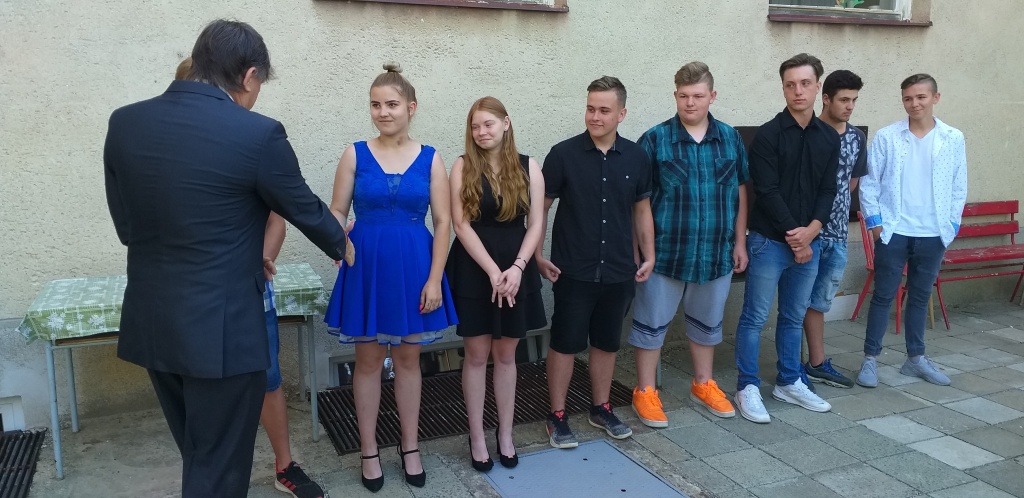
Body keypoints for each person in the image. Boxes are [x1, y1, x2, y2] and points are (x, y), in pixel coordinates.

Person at [104, 20, 348, 497]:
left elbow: (126, 229)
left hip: (153, 321)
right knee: (218, 468)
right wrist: (344, 244)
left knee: (198, 453)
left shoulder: (125, 121)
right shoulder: (257, 133)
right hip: (223, 332)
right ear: (249, 75)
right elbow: (302, 206)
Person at [174, 56, 326, 498]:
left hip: (248, 289)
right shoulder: (173, 148)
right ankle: (207, 473)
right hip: (193, 291)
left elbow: (278, 215)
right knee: (200, 389)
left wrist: (261, 259)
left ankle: (285, 466)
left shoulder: (252, 140)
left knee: (266, 377)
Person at [324, 63, 457, 492]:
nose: (382, 112)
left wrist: (435, 279)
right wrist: (338, 239)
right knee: (367, 362)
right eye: (376, 104)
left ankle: (410, 447)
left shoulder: (431, 157)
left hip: (415, 267)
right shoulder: (354, 153)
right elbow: (337, 211)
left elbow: (444, 222)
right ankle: (368, 451)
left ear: (411, 108)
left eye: (392, 104)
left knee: (408, 360)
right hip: (365, 266)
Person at [536, 76, 655, 448]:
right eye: (590, 108)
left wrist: (649, 254)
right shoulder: (563, 155)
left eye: (604, 110)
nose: (595, 116)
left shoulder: (637, 157)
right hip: (574, 268)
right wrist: (537, 255)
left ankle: (600, 408)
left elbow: (641, 210)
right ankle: (557, 415)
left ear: (622, 114)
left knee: (606, 342)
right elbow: (540, 209)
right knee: (565, 342)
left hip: (619, 269)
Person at [628, 62, 749, 427]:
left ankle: (703, 384)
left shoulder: (730, 138)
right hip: (665, 254)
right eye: (683, 96)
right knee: (650, 325)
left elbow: (740, 191)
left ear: (712, 96)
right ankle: (645, 391)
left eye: (698, 96)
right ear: (675, 95)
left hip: (715, 252)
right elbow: (638, 201)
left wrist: (740, 242)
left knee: (708, 324)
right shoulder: (655, 140)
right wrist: (639, 250)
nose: (690, 103)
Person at [734, 53, 838, 424]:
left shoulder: (829, 137)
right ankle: (747, 386)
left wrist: (813, 230)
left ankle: (789, 381)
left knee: (793, 316)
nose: (798, 91)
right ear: (783, 88)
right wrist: (798, 237)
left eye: (805, 83)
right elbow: (767, 190)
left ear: (818, 87)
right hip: (769, 243)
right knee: (755, 317)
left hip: (810, 241)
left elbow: (828, 190)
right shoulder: (768, 136)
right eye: (790, 84)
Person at [447, 96, 546, 471]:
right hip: (475, 270)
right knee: (475, 356)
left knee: (506, 356)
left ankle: (505, 434)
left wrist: (518, 268)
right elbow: (460, 225)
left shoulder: (529, 166)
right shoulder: (462, 166)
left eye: (488, 123)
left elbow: (536, 223)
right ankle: (477, 437)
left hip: (516, 268)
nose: (481, 131)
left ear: (506, 123)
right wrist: (492, 271)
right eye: (475, 126)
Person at [855, 74, 968, 388]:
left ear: (935, 97)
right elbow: (870, 183)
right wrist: (877, 226)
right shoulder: (888, 137)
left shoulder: (952, 138)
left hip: (934, 233)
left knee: (920, 296)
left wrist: (951, 226)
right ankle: (870, 360)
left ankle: (915, 359)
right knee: (883, 296)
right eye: (908, 98)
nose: (914, 103)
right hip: (894, 231)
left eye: (921, 97)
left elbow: (959, 185)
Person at [801, 70, 867, 390]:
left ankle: (816, 363)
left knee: (820, 301)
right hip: (808, 234)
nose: (849, 106)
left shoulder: (856, 139)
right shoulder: (807, 133)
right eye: (843, 100)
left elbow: (851, 184)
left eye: (854, 100)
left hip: (838, 234)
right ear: (825, 99)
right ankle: (793, 367)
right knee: (798, 299)